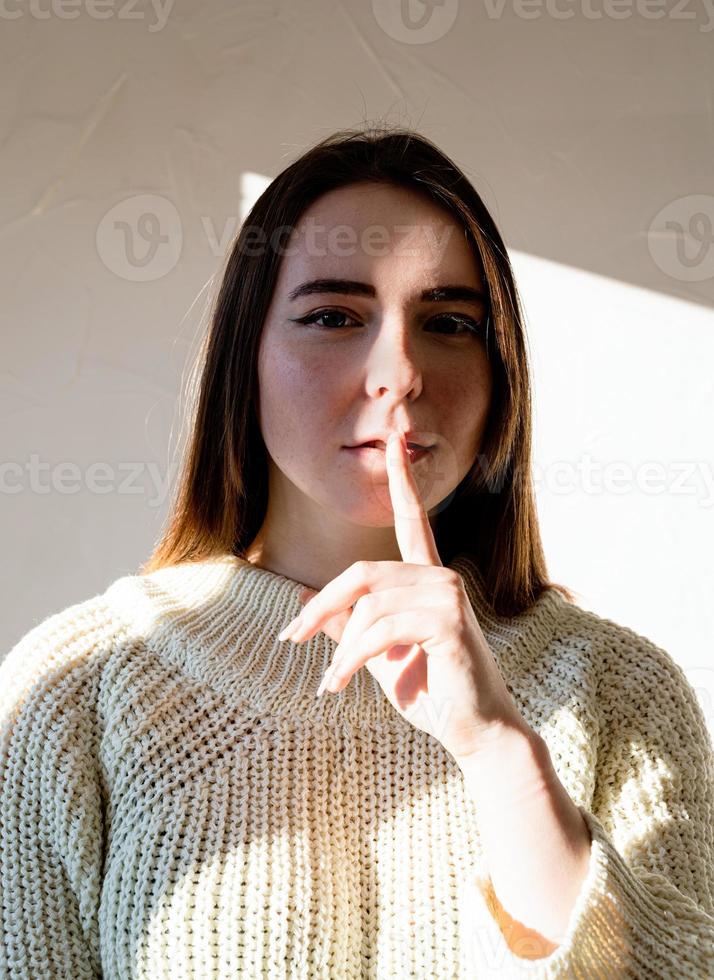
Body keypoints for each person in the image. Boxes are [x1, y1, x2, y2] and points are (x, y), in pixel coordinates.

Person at [1, 124, 713, 979]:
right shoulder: (75, 689)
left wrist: (499, 750)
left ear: (500, 379)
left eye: (449, 322)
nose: (399, 372)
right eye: (334, 316)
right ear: (245, 359)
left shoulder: (621, 690)